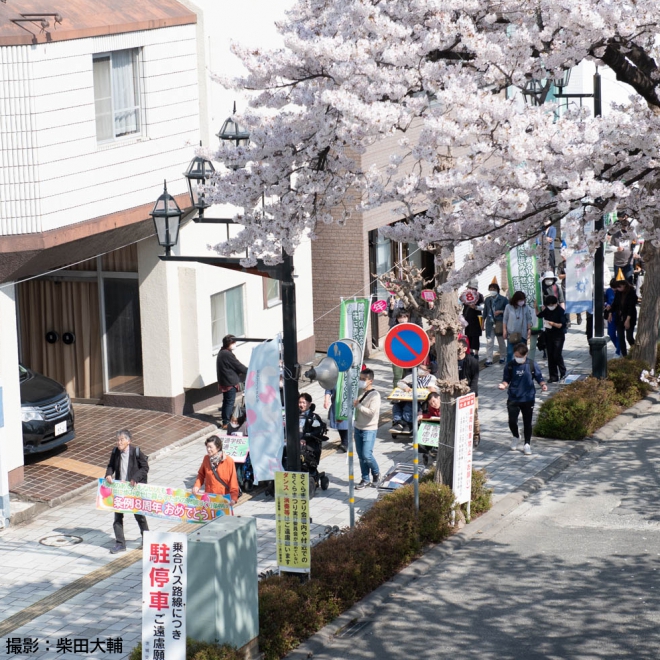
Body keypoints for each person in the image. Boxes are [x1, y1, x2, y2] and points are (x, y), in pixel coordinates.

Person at [105, 429, 149, 554]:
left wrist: (135, 478)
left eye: (122, 440)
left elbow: (145, 467)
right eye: (118, 440)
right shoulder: (115, 452)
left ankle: (147, 539)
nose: (119, 443)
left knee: (139, 516)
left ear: (128, 441)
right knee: (118, 516)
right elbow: (111, 465)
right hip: (120, 488)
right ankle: (120, 543)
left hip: (134, 489)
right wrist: (108, 474)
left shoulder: (136, 452)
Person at [498, 343, 547, 456]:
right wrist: (503, 385)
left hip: (528, 397)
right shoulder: (510, 365)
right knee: (512, 420)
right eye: (516, 356)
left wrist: (543, 385)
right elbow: (506, 380)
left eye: (520, 356)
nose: (518, 358)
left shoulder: (531, 364)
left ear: (526, 354)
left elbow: (539, 377)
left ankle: (527, 444)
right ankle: (516, 436)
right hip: (513, 397)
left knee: (527, 422)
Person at [353, 368, 381, 489]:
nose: (362, 381)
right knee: (360, 456)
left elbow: (371, 412)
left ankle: (376, 473)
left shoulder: (375, 395)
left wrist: (358, 406)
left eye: (364, 379)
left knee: (367, 455)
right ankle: (365, 478)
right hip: (358, 427)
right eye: (360, 379)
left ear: (371, 381)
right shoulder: (358, 391)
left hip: (369, 428)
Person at [193, 435, 240, 504]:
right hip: (209, 498)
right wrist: (197, 486)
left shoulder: (228, 461)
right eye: (207, 447)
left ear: (218, 448)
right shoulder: (206, 459)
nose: (208, 449)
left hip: (223, 499)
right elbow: (201, 474)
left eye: (210, 447)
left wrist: (233, 498)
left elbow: (233, 482)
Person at [391, 363, 438, 433]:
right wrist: (405, 387)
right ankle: (398, 422)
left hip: (422, 401)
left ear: (428, 371)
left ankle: (408, 424)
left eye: (422, 369)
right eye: (419, 368)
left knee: (409, 406)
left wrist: (432, 388)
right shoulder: (413, 375)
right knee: (396, 405)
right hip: (410, 397)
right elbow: (400, 383)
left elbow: (433, 388)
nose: (419, 370)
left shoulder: (432, 378)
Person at [216, 335, 248, 429]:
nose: (235, 345)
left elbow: (232, 366)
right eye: (234, 343)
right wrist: (250, 370)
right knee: (229, 402)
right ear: (230, 344)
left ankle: (225, 421)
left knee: (226, 401)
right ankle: (226, 422)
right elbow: (237, 365)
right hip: (229, 382)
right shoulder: (227, 354)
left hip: (225, 381)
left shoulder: (222, 352)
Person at [536, 294, 568, 383]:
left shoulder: (560, 311)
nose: (550, 307)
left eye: (551, 305)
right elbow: (539, 315)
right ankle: (553, 376)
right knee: (550, 355)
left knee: (556, 355)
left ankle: (563, 372)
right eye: (548, 305)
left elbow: (562, 325)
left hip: (559, 336)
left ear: (555, 303)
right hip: (549, 335)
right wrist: (536, 307)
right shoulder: (547, 310)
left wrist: (553, 324)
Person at [457, 337, 481, 446]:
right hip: (456, 393)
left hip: (471, 393)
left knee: (474, 415)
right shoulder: (451, 361)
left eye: (459, 347)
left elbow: (475, 379)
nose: (457, 349)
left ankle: (476, 435)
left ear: (465, 348)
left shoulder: (472, 361)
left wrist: (470, 392)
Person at [502, 291, 533, 363]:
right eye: (520, 300)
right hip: (511, 333)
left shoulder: (525, 307)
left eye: (523, 300)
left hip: (522, 333)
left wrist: (529, 329)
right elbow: (505, 319)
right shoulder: (508, 307)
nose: (522, 302)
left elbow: (529, 318)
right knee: (510, 352)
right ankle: (509, 368)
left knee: (522, 352)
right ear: (516, 300)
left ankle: (522, 367)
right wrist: (504, 330)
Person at [610, 278, 638, 357]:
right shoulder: (618, 293)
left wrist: (628, 319)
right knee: (621, 337)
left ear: (624, 285)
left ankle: (635, 351)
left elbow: (631, 307)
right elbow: (615, 304)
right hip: (620, 317)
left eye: (619, 287)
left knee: (629, 337)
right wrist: (610, 312)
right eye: (617, 287)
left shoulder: (631, 292)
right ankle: (624, 355)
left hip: (629, 316)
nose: (618, 289)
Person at [483, 281, 508, 366]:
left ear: (497, 290)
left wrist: (500, 311)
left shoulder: (504, 299)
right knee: (489, 342)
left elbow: (508, 311)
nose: (492, 290)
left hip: (500, 323)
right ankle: (489, 359)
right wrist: (482, 323)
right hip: (489, 323)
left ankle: (502, 356)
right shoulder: (487, 299)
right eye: (490, 289)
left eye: (493, 289)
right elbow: (485, 312)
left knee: (501, 341)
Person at [460, 279, 484, 357]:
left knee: (476, 336)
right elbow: (459, 303)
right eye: (469, 287)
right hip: (467, 317)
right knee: (468, 334)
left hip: (477, 318)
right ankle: (470, 351)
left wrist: (475, 307)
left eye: (471, 288)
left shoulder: (479, 295)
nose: (469, 289)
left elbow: (483, 307)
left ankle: (476, 353)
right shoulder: (464, 295)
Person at [604, 278, 620, 356]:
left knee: (620, 334)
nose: (614, 290)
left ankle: (619, 351)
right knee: (611, 333)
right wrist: (606, 305)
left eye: (615, 289)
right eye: (613, 289)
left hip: (619, 315)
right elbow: (604, 300)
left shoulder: (621, 292)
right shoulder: (608, 291)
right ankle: (619, 348)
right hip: (611, 316)